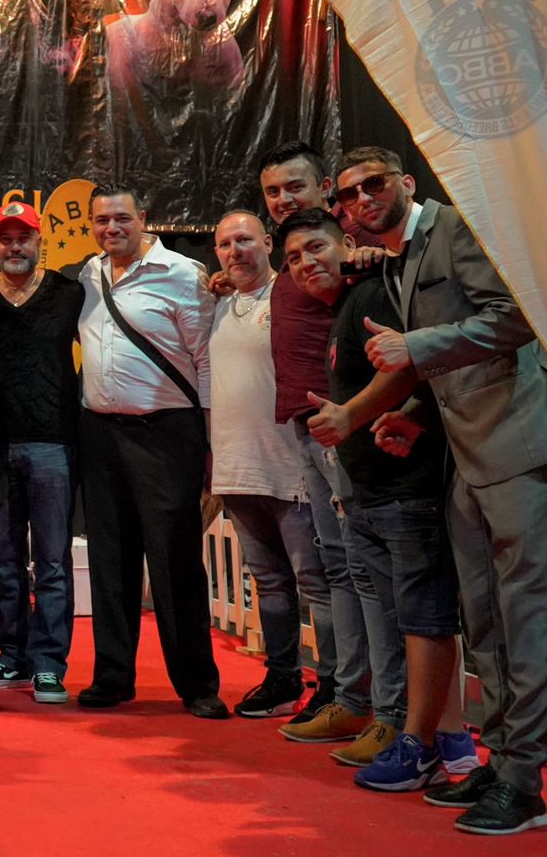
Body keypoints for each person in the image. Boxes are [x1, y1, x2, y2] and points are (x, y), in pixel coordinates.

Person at [331, 148, 547, 834]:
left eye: (373, 184)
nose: (361, 199)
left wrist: (417, 346)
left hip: (523, 442)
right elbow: (463, 362)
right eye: (348, 193)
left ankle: (524, 784)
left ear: (406, 183)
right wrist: (415, 414)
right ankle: (500, 762)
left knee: (523, 616)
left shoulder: (457, 226)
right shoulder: (397, 257)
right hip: (467, 454)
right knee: (483, 618)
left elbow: (520, 317)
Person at [280, 208, 477, 792]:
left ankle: (421, 744)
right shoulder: (349, 302)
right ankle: (450, 744)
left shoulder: (372, 292)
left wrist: (350, 415)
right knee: (406, 619)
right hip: (371, 490)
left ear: (347, 243)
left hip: (406, 488)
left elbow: (410, 365)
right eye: (293, 258)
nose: (306, 263)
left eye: (316, 248)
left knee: (424, 619)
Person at [76, 184, 224, 718]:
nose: (111, 228)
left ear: (143, 217)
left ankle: (197, 684)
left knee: (174, 560)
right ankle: (113, 677)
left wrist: (211, 442)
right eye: (101, 220)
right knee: (109, 561)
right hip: (99, 434)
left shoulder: (183, 274)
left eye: (121, 218)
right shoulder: (88, 274)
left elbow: (206, 361)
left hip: (168, 434)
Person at [252, 142, 379, 741]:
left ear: (325, 188)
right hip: (309, 428)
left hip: (346, 424)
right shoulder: (295, 254)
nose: (284, 199)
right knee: (339, 568)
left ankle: (375, 703)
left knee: (362, 569)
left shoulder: (354, 248)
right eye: (273, 191)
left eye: (295, 186)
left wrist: (372, 255)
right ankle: (348, 696)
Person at [0, 202, 81, 704]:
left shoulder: (70, 293)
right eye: (5, 238)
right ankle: (12, 656)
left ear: (39, 242)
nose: (14, 247)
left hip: (54, 442)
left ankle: (49, 665)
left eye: (23, 237)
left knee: (52, 562)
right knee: (4, 563)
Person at [206, 211, 326, 719]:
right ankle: (283, 679)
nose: (235, 251)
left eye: (245, 240)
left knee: (316, 583)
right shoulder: (217, 306)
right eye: (225, 244)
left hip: (291, 467)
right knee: (269, 582)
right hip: (237, 469)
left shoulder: (292, 296)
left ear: (269, 243)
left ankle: (336, 688)